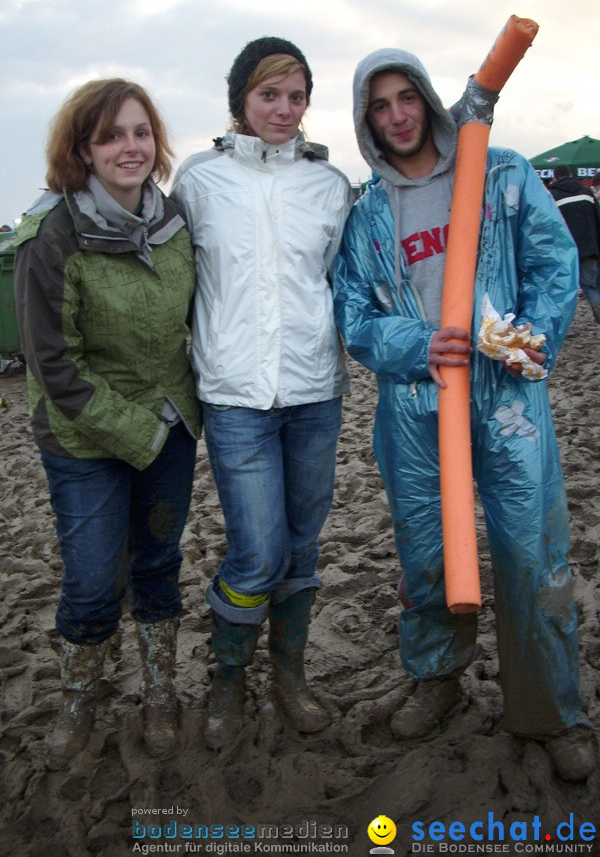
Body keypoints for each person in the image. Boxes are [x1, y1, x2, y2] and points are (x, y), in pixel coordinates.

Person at [332, 48, 596, 782]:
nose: (397, 116)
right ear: (367, 123)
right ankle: (437, 680)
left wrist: (531, 335)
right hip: (417, 404)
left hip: (509, 399)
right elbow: (353, 317)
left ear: (427, 98)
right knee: (425, 551)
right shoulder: (368, 216)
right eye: (379, 107)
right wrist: (418, 341)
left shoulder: (503, 174)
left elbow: (554, 264)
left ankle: (549, 709)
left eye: (405, 98)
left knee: (529, 549)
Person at [171, 37, 352, 749]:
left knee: (302, 551)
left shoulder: (330, 186)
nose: (284, 108)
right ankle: (226, 681)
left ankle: (290, 676)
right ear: (240, 100)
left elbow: (339, 282)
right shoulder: (198, 181)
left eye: (296, 95)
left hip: (315, 392)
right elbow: (176, 285)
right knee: (257, 553)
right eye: (269, 94)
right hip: (236, 398)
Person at [14, 79, 201, 766]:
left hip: (172, 424)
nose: (131, 147)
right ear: (82, 151)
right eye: (111, 135)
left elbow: (200, 319)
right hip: (81, 436)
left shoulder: (175, 221)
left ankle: (158, 686)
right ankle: (79, 692)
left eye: (141, 132)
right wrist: (139, 433)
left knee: (157, 561)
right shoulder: (52, 236)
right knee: (93, 578)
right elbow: (54, 367)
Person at [549, 164, 600, 324]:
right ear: (571, 175)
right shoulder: (587, 193)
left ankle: (560, 327)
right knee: (591, 287)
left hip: (564, 251)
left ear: (555, 178)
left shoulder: (551, 197)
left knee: (562, 291)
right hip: (589, 248)